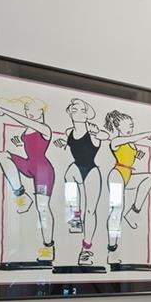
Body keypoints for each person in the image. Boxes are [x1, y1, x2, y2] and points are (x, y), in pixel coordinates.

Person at [0, 96, 56, 264]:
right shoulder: (27, 129)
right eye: (26, 110)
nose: (28, 113)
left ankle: (48, 247)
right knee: (2, 155)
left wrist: (5, 111)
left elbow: (34, 132)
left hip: (43, 171)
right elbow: (30, 145)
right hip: (29, 165)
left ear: (41, 110)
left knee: (42, 209)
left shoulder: (44, 128)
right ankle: (21, 196)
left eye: (31, 109)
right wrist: (18, 142)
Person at [56, 98, 108, 267]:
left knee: (91, 210)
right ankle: (74, 214)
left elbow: (104, 136)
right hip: (76, 168)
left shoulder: (93, 130)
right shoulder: (68, 132)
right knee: (68, 174)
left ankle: (86, 249)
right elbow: (68, 144)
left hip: (91, 170)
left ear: (86, 114)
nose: (75, 110)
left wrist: (97, 133)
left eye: (80, 108)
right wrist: (62, 143)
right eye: (73, 108)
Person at [103, 110, 151, 266]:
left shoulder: (130, 143)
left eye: (131, 125)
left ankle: (134, 212)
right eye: (127, 125)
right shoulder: (116, 141)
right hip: (117, 175)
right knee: (116, 211)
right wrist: (146, 134)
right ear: (118, 126)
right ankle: (112, 250)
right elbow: (127, 142)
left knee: (149, 177)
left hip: (128, 174)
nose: (130, 128)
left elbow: (130, 151)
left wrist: (137, 155)